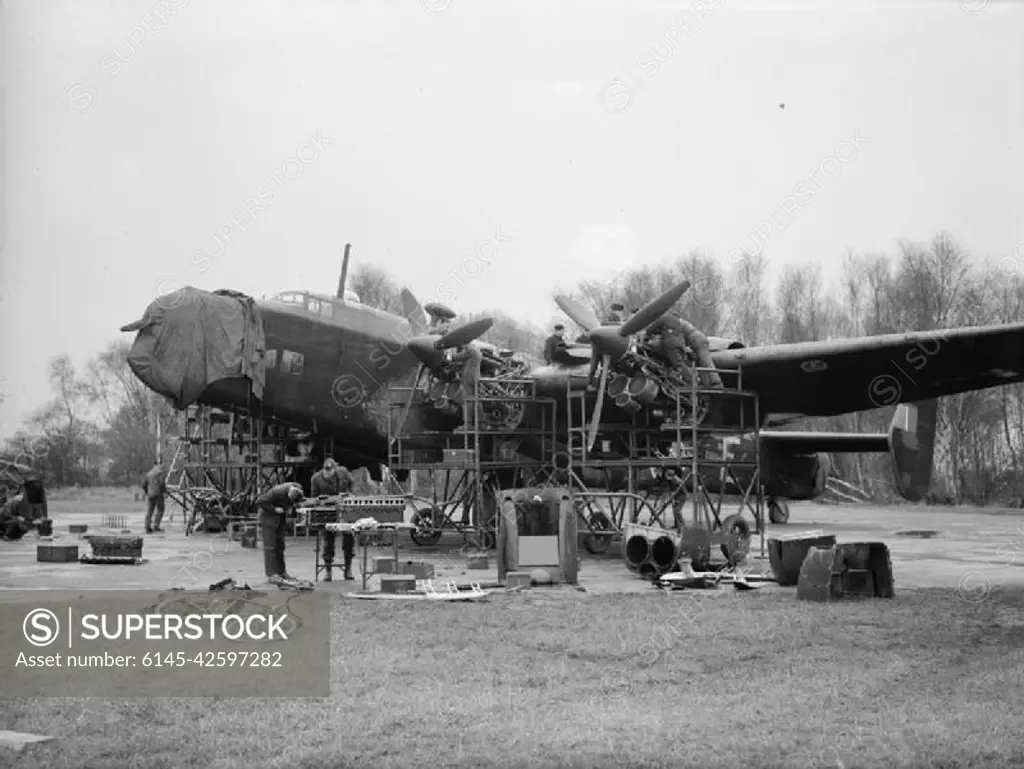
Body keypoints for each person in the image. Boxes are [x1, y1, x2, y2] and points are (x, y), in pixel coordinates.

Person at [254, 482, 306, 587]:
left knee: (280, 546)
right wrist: (274, 509)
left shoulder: (298, 489)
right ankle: (272, 575)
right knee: (270, 547)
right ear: (288, 494)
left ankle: (282, 573)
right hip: (268, 519)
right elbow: (259, 501)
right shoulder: (277, 492)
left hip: (280, 520)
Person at [311, 458, 355, 581]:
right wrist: (322, 500)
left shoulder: (343, 472)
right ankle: (328, 570)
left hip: (345, 509)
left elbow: (352, 483)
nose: (329, 478)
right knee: (328, 539)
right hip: (328, 511)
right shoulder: (316, 478)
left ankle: (348, 568)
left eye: (331, 476)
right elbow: (314, 497)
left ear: (335, 470)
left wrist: (350, 493)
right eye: (327, 477)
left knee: (348, 538)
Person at [452, 344, 484, 425]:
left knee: (468, 400)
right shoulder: (477, 350)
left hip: (469, 378)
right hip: (476, 377)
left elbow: (456, 357)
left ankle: (468, 423)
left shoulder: (469, 350)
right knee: (477, 400)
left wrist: (447, 354)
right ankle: (481, 423)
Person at [141, 461, 167, 534]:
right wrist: (164, 492)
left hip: (150, 494)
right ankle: (156, 525)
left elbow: (143, 484)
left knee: (149, 511)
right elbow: (162, 483)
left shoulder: (149, 473)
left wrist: (147, 492)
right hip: (158, 494)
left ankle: (147, 526)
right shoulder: (160, 473)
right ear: (157, 465)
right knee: (160, 509)